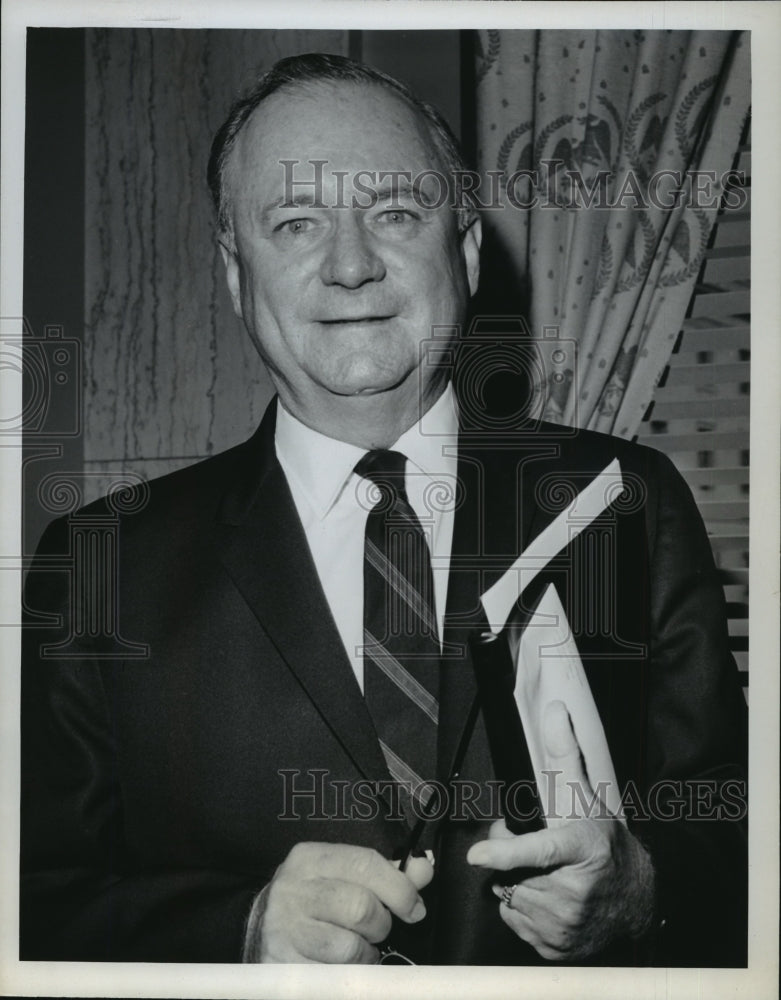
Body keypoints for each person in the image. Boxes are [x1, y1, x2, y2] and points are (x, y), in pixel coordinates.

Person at [20, 53, 747, 967]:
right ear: (237, 275)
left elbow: (736, 824)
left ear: (468, 250)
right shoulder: (99, 563)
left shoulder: (624, 505)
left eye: (395, 213)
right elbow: (36, 904)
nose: (352, 264)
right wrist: (236, 933)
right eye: (295, 223)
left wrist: (642, 891)